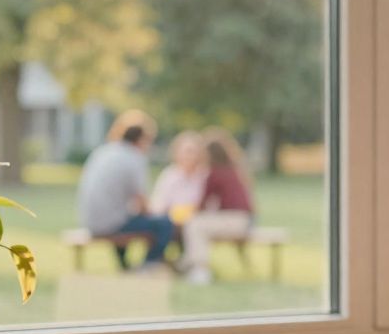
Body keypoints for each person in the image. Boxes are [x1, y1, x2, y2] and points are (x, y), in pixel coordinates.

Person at [76, 110, 175, 271]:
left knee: (126, 217)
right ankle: (149, 265)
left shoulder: (103, 151)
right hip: (111, 223)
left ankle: (125, 267)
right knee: (164, 223)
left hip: (89, 221)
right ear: (142, 140)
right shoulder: (134, 158)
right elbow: (143, 204)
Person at [181, 128, 255, 285]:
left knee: (194, 225)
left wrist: (186, 212)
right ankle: (188, 262)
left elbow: (201, 205)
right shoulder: (235, 169)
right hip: (247, 220)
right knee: (198, 224)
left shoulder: (214, 172)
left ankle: (200, 269)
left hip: (234, 220)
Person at [149, 131, 208, 223]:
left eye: (193, 152)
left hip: (198, 220)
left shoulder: (204, 175)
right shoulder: (169, 175)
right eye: (187, 152)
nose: (189, 156)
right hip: (172, 220)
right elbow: (159, 204)